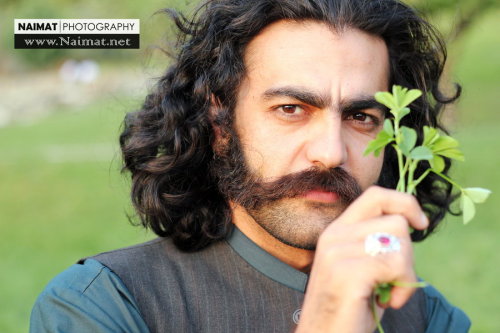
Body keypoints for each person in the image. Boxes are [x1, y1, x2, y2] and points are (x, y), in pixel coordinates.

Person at [30, 0, 471, 332]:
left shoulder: (427, 317)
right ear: (219, 123)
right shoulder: (105, 305)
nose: (331, 152)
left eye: (361, 117)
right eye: (291, 108)